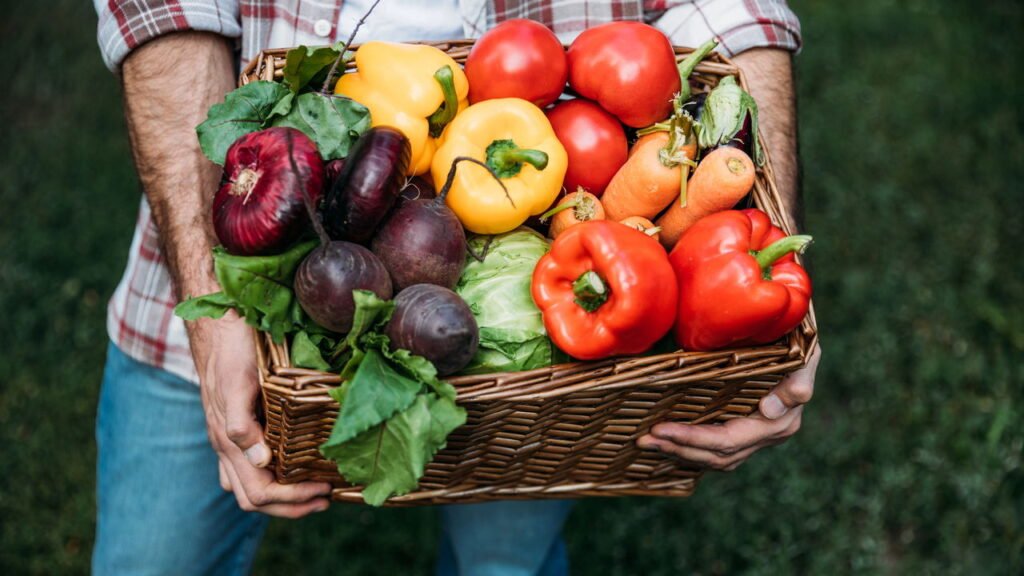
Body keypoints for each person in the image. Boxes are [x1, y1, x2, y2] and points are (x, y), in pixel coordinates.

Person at [91, 1, 817, 574]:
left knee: (507, 566)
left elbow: (735, 12)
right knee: (151, 561)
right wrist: (213, 317)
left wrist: (775, 323)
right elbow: (166, 12)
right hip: (223, 253)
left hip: (559, 368)